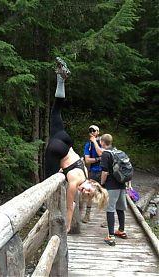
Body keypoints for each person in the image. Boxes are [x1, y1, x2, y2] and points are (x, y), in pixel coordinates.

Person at [45, 57, 108, 232]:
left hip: (65, 140)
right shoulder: (75, 183)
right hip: (58, 149)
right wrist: (66, 227)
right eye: (88, 191)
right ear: (92, 184)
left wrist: (61, 170)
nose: (84, 192)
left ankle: (60, 79)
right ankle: (44, 207)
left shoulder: (85, 173)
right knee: (46, 184)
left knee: (56, 109)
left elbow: (72, 163)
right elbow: (70, 206)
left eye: (86, 195)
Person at [98, 134, 128, 246]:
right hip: (122, 184)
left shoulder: (106, 154)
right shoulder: (118, 152)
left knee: (110, 209)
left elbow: (105, 172)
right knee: (120, 208)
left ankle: (111, 237)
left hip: (112, 185)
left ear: (102, 142)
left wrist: (102, 183)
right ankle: (121, 230)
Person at [82, 125, 102, 223]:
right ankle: (87, 215)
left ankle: (107, 218)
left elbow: (102, 153)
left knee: (106, 194)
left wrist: (95, 142)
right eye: (91, 131)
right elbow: (87, 160)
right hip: (94, 171)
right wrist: (98, 159)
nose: (93, 132)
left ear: (98, 132)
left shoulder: (103, 143)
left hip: (104, 171)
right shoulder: (88, 145)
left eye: (95, 130)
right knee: (90, 193)